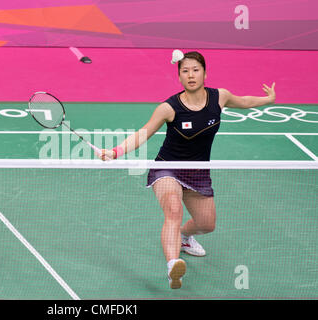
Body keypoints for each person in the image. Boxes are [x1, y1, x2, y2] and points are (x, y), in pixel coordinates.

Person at [99, 51, 276, 289]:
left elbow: (243, 101)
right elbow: (144, 133)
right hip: (167, 168)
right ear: (179, 77)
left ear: (205, 73)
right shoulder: (169, 107)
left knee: (207, 224)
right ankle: (173, 265)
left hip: (198, 171)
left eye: (195, 70)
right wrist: (116, 151)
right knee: (173, 210)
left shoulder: (219, 97)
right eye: (185, 71)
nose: (191, 75)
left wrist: (268, 100)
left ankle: (183, 237)